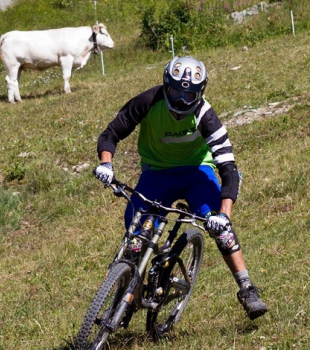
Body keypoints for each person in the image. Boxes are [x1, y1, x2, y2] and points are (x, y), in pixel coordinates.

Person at [92, 56, 268, 320]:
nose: (182, 101)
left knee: (223, 232)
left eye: (190, 94)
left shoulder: (206, 115)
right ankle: (126, 294)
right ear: (166, 85)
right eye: (176, 91)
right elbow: (111, 133)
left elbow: (228, 168)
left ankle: (246, 288)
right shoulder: (148, 101)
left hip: (197, 173)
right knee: (135, 234)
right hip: (157, 173)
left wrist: (224, 216)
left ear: (201, 93)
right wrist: (106, 164)